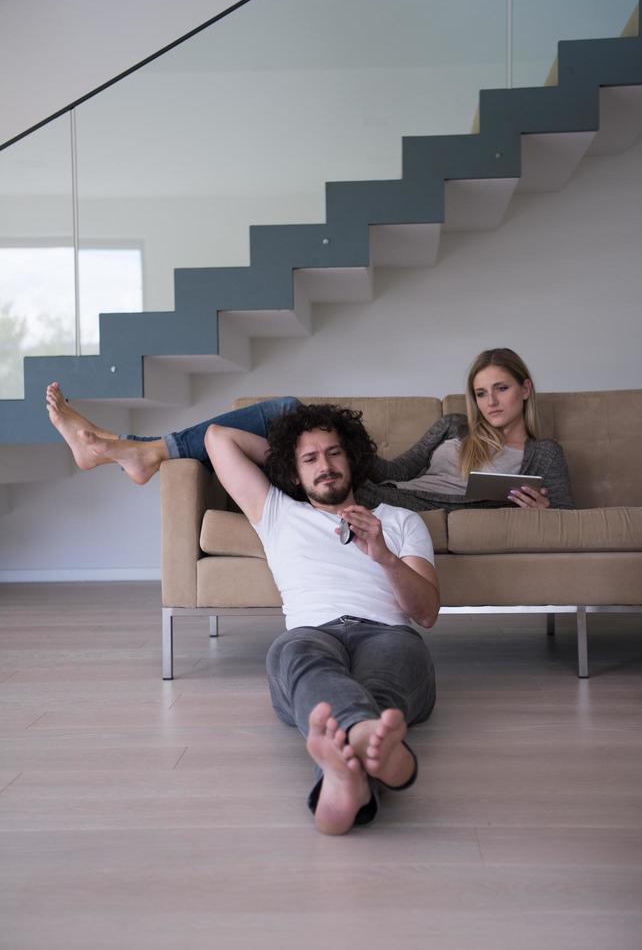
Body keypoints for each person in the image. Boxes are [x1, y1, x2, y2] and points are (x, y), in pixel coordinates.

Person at [203, 401, 440, 833]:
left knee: (387, 670)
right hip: (313, 635)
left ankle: (344, 776)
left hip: (388, 634)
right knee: (294, 652)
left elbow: (425, 614)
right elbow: (218, 437)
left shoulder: (401, 521)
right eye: (310, 459)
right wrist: (284, 455)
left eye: (334, 452)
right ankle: (378, 753)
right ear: (293, 473)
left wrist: (384, 556)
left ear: (351, 458)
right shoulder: (276, 512)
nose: (325, 466)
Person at [45, 346, 574, 509]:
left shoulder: (543, 453)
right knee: (291, 410)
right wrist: (344, 454)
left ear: (526, 388)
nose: (490, 401)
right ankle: (138, 451)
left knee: (269, 430)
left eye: (501, 389)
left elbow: (569, 516)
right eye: (482, 392)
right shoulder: (454, 425)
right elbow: (403, 469)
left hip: (398, 508)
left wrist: (542, 513)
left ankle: (132, 450)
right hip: (374, 485)